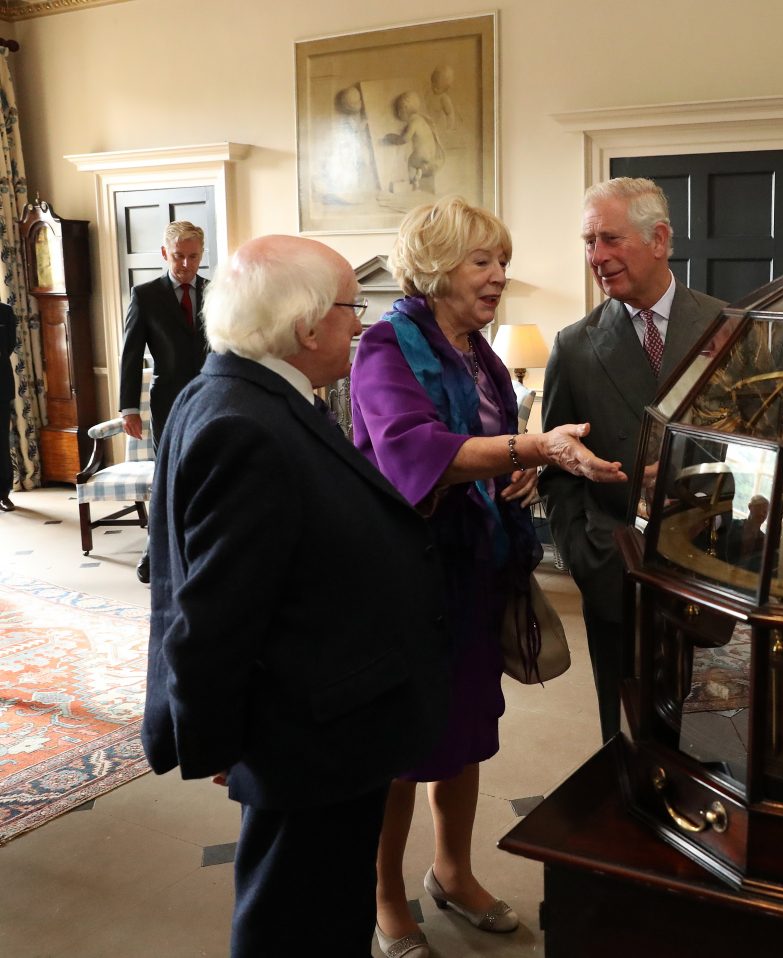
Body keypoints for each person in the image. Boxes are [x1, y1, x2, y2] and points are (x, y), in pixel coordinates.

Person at [140, 234, 452, 958]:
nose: (362, 324)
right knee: (293, 923)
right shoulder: (243, 425)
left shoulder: (246, 393)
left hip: (324, 722)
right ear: (308, 326)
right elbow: (209, 618)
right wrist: (220, 736)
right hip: (309, 737)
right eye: (353, 308)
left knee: (324, 910)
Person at [350, 195, 626, 958]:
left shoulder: (480, 352)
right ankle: (385, 901)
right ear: (437, 268)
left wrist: (519, 476)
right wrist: (529, 451)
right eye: (483, 261)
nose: (500, 275)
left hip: (473, 568)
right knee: (404, 747)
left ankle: (452, 872)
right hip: (406, 577)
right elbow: (414, 450)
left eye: (502, 260)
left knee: (465, 732)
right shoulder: (384, 346)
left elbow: (489, 449)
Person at [541, 177, 725, 742]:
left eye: (610, 240)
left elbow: (763, 439)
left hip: (709, 562)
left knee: (708, 723)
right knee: (620, 728)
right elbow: (554, 463)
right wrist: (584, 553)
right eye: (589, 242)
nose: (596, 257)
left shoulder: (728, 327)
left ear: (660, 239)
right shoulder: (574, 346)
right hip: (614, 564)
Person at [117, 220, 210, 582]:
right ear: (164, 254)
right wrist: (129, 408)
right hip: (167, 401)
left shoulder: (215, 291)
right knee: (169, 476)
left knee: (206, 472)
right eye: (178, 257)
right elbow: (130, 353)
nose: (186, 265)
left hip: (209, 398)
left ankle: (199, 549)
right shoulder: (145, 295)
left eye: (193, 257)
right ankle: (153, 552)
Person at [1, 300, 16, 512]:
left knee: (1, 442)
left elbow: (9, 346)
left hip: (0, 386)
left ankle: (3, 493)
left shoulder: (5, 312)